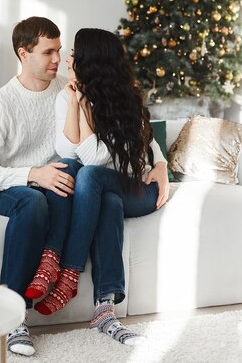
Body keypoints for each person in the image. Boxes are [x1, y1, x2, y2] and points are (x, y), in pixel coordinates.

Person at [25, 28, 169, 345]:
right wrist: (76, 102)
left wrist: (161, 166)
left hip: (139, 189)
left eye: (75, 53)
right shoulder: (68, 95)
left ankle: (67, 271)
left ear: (92, 60)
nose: (67, 58)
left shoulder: (125, 98)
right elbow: (66, 151)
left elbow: (94, 157)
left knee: (89, 176)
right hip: (111, 190)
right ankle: (105, 309)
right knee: (103, 198)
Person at [0, 16, 79, 357]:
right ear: (24, 53)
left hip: (51, 183)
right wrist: (33, 174)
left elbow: (119, 117)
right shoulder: (1, 103)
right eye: (48, 52)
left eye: (59, 51)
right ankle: (12, 316)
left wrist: (159, 162)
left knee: (71, 170)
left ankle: (53, 264)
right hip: (7, 189)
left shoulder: (66, 89)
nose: (57, 59)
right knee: (34, 202)